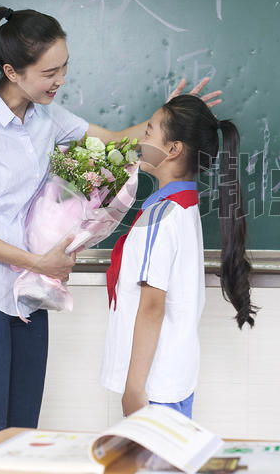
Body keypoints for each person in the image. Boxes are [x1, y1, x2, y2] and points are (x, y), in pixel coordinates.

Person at [0, 6, 221, 444]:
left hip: (26, 301)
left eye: (64, 66)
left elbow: (112, 142)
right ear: (12, 71)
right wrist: (39, 261)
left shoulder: (45, 118)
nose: (60, 80)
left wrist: (167, 119)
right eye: (50, 71)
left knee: (19, 440)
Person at [100, 94, 257, 419]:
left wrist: (134, 389)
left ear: (173, 150)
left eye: (148, 132)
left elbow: (152, 306)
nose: (139, 141)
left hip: (153, 386)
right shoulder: (183, 207)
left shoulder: (161, 216)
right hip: (172, 378)